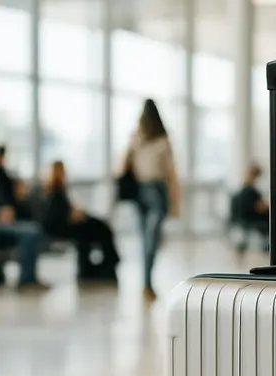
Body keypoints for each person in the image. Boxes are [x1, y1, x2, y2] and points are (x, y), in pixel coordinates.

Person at [124, 98, 180, 302]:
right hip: (152, 192)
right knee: (149, 240)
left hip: (145, 191)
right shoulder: (158, 140)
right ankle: (147, 283)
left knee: (147, 240)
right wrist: (175, 203)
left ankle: (146, 283)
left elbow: (122, 166)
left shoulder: (140, 139)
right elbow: (172, 175)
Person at [35, 160, 120, 282]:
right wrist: (73, 215)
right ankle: (106, 263)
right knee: (95, 228)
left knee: (99, 225)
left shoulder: (59, 188)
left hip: (67, 222)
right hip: (61, 226)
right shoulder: (53, 189)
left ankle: (105, 263)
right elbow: (56, 213)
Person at [0, 172, 48, 291]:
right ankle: (27, 280)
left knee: (33, 228)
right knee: (29, 233)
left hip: (5, 221)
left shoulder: (2, 180)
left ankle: (29, 278)